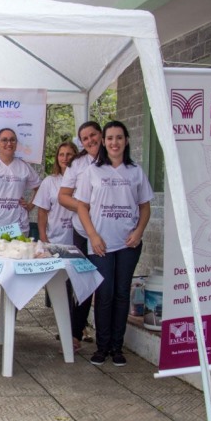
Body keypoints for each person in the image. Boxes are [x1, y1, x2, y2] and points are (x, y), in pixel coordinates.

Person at [74, 120, 153, 367]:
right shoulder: (92, 172)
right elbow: (82, 207)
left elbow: (145, 206)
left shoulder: (136, 171)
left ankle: (117, 348)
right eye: (110, 138)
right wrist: (93, 236)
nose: (114, 142)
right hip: (101, 244)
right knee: (104, 293)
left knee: (121, 293)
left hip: (128, 243)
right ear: (104, 142)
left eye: (119, 137)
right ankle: (102, 346)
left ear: (126, 141)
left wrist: (139, 231)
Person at [0, 127, 41, 332]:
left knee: (14, 273)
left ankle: (11, 315)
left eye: (12, 140)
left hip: (18, 228)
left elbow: (39, 187)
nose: (8, 143)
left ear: (16, 144)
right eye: (4, 140)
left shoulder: (23, 167)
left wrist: (30, 205)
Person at [57, 121, 104, 347]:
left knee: (105, 283)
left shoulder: (116, 158)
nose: (90, 140)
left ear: (101, 135)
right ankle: (75, 332)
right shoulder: (78, 163)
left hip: (111, 231)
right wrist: (85, 207)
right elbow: (63, 197)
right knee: (83, 280)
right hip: (82, 230)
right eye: (85, 138)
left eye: (93, 135)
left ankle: (105, 337)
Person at [32, 140, 78, 349]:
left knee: (77, 285)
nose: (65, 158)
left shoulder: (83, 179)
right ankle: (64, 327)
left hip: (77, 239)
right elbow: (42, 212)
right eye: (62, 154)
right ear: (57, 157)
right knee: (60, 286)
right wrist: (43, 236)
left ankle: (78, 327)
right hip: (55, 239)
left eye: (70, 154)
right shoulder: (50, 182)